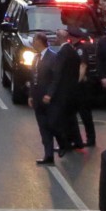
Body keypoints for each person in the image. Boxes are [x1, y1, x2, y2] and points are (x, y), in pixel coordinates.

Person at [29, 34, 67, 165]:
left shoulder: (53, 57)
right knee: (43, 127)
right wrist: (30, 95)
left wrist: (50, 94)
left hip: (50, 99)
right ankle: (48, 155)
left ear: (39, 42)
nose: (32, 43)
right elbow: (32, 78)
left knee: (52, 124)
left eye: (34, 41)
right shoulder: (35, 58)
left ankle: (63, 143)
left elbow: (56, 78)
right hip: (38, 98)